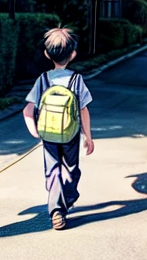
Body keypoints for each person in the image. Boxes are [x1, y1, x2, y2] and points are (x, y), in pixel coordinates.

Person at [22, 28, 94, 230]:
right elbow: (83, 110)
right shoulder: (76, 80)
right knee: (71, 169)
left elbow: (27, 111)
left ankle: (56, 209)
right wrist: (88, 136)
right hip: (71, 134)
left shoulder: (43, 80)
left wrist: (36, 131)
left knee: (52, 170)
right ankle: (67, 200)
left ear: (46, 54)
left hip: (49, 134)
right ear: (73, 54)